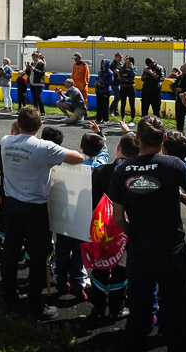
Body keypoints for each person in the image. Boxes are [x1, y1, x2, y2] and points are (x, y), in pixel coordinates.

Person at [107, 114, 186, 352]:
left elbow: (117, 217)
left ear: (137, 138)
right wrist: (183, 197)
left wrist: (133, 233)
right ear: (164, 139)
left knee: (138, 313)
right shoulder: (175, 165)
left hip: (139, 251)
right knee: (176, 315)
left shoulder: (122, 169)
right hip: (171, 252)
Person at [0, 107, 85, 320]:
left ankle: (8, 294)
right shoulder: (44, 147)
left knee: (11, 250)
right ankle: (35, 304)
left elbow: (14, 133)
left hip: (12, 204)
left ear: (17, 124)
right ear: (40, 126)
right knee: (39, 255)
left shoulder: (6, 141)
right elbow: (78, 158)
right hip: (35, 208)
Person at [54, 125, 108, 301]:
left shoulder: (66, 162)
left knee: (61, 248)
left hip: (65, 213)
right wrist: (100, 135)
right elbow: (103, 151)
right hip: (86, 216)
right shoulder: (100, 165)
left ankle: (60, 279)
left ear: (81, 147)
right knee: (80, 251)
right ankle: (77, 283)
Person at [88, 130, 138, 322]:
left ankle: (98, 308)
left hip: (102, 227)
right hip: (126, 229)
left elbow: (92, 202)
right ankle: (116, 308)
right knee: (120, 270)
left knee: (100, 266)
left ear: (118, 149)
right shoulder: (138, 176)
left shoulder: (101, 171)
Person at [25, 52, 47, 118]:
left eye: (34, 57)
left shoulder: (41, 64)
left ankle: (42, 111)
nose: (33, 59)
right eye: (32, 57)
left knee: (38, 97)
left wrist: (34, 69)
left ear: (38, 57)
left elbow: (42, 73)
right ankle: (35, 111)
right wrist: (27, 68)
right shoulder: (33, 63)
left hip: (39, 83)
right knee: (34, 97)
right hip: (32, 82)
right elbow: (28, 74)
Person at [95, 59, 113, 123]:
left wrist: (101, 81)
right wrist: (97, 82)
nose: (103, 64)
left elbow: (110, 82)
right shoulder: (100, 71)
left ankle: (106, 119)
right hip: (99, 89)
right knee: (99, 105)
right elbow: (98, 79)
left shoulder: (110, 72)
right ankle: (99, 118)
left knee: (105, 105)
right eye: (102, 63)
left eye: (104, 63)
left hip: (106, 90)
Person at [108, 52, 123, 117]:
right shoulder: (113, 64)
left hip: (119, 82)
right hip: (114, 83)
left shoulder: (120, 64)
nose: (121, 59)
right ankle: (110, 110)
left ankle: (116, 111)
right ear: (116, 57)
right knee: (118, 97)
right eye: (120, 57)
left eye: (121, 57)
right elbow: (117, 72)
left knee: (117, 97)